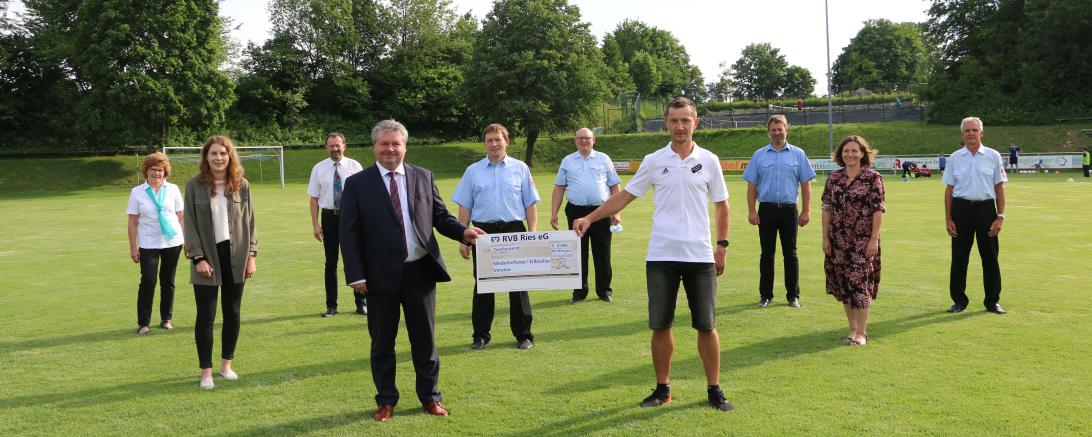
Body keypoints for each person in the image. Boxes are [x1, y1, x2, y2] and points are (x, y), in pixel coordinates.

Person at [573, 96, 733, 412]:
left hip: (700, 256)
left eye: (685, 120)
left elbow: (722, 205)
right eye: (674, 120)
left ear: (695, 122)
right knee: (660, 326)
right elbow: (626, 196)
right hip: (661, 255)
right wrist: (590, 218)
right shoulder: (654, 160)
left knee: (706, 326)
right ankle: (663, 390)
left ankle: (714, 389)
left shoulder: (709, 160)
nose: (679, 126)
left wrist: (722, 246)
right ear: (666, 123)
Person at [340, 120, 485, 422]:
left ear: (405, 146)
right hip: (378, 277)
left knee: (425, 341)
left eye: (396, 143)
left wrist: (464, 232)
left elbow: (440, 217)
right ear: (374, 146)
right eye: (384, 144)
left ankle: (430, 398)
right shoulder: (357, 184)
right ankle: (386, 401)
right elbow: (348, 234)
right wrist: (356, 275)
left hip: (420, 273)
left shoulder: (423, 176)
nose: (390, 149)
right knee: (382, 343)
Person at [452, 123, 540, 350]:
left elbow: (530, 204)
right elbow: (465, 207)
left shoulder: (521, 168)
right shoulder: (473, 171)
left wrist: (532, 234)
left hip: (514, 230)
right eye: (489, 140)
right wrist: (463, 238)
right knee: (483, 286)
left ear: (506, 142)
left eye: (497, 140)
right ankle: (480, 336)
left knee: (518, 285)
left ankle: (524, 335)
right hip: (482, 233)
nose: (493, 144)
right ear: (485, 143)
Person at [183, 135, 258, 390]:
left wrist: (251, 256)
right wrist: (198, 258)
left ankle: (226, 365)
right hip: (206, 256)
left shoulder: (241, 185)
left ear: (230, 156)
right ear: (206, 156)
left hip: (236, 255)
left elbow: (250, 222)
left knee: (232, 312)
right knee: (206, 314)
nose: (218, 158)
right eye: (213, 153)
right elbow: (189, 223)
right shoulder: (194, 186)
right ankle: (206, 372)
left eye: (223, 153)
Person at [742, 114, 816, 308]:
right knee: (766, 254)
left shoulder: (798, 154)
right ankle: (765, 295)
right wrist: (751, 211)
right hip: (766, 210)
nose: (777, 133)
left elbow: (806, 184)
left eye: (780, 129)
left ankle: (793, 296)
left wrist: (806, 211)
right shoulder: (759, 155)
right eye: (773, 130)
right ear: (768, 132)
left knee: (790, 254)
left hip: (789, 211)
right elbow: (752, 186)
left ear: (786, 130)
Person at [821, 136, 885, 347]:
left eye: (854, 150)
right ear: (840, 154)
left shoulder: (872, 178)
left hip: (862, 241)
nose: (850, 154)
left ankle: (862, 333)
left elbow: (878, 210)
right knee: (844, 285)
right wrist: (825, 237)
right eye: (846, 151)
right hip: (838, 240)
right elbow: (826, 208)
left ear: (863, 153)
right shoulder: (833, 178)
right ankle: (853, 329)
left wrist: (873, 240)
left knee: (859, 284)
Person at [943, 117, 1007, 315]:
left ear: (981, 132)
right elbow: (949, 190)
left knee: (990, 257)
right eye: (967, 130)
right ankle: (959, 301)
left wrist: (1000, 216)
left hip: (986, 210)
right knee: (959, 257)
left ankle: (992, 301)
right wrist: (948, 218)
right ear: (962, 134)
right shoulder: (954, 158)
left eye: (974, 130)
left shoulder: (993, 156)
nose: (971, 133)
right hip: (961, 210)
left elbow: (999, 188)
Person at [550, 127, 622, 303]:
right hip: (575, 212)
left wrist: (616, 211)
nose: (584, 141)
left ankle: (604, 291)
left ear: (593, 140)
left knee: (602, 252)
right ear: (575, 140)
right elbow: (559, 188)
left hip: (601, 211)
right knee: (577, 253)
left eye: (587, 138)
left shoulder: (604, 159)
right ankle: (579, 292)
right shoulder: (567, 161)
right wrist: (554, 212)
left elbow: (614, 186)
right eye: (580, 138)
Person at [307, 132, 366, 318]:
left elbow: (364, 197)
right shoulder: (318, 168)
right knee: (330, 263)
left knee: (355, 260)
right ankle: (331, 306)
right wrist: (315, 224)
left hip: (352, 218)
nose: (335, 149)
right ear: (326, 147)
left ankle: (361, 304)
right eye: (331, 146)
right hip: (329, 218)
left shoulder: (355, 166)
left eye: (338, 145)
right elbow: (314, 199)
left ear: (344, 146)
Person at [127, 152, 184, 335]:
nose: (156, 173)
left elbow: (181, 217)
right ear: (146, 170)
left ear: (165, 171)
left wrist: (188, 241)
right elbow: (132, 222)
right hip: (148, 242)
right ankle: (143, 323)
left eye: (160, 170)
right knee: (148, 281)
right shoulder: (137, 192)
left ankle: (166, 319)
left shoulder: (173, 189)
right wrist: (133, 247)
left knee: (168, 281)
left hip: (172, 242)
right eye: (153, 169)